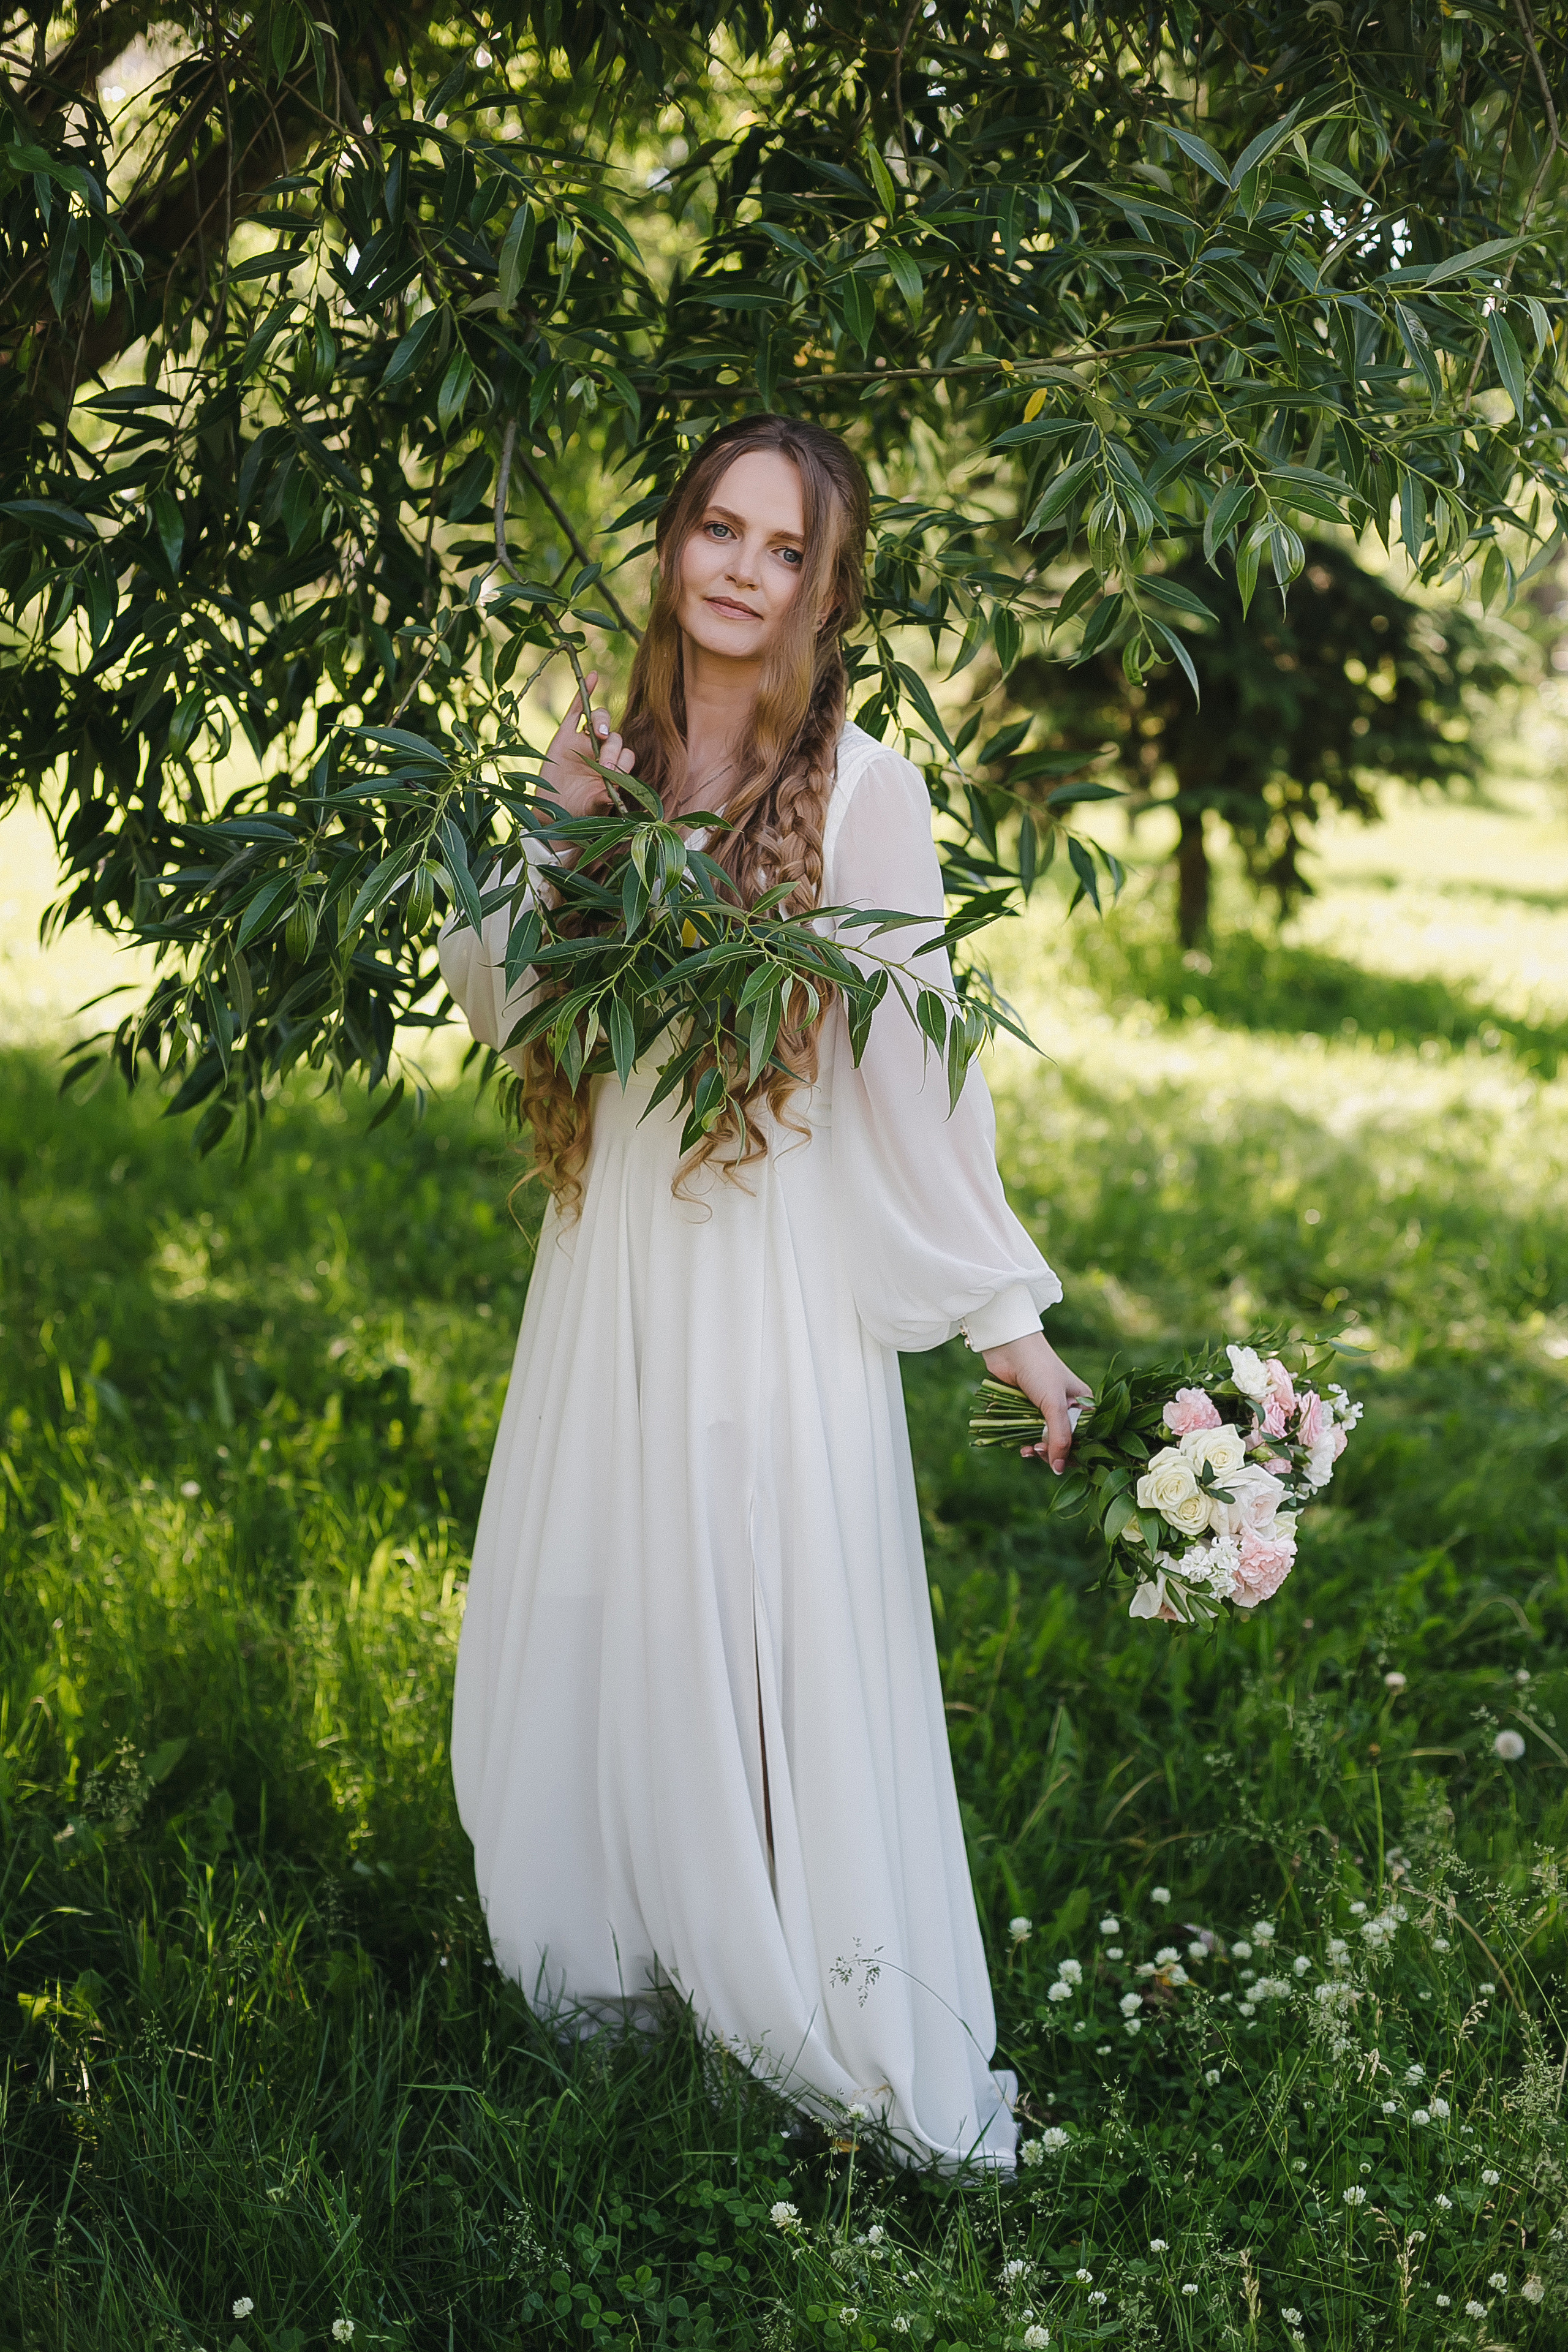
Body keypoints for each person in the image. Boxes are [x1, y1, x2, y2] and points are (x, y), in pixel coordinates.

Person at [439, 414, 1090, 2171]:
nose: (740, 569)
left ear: (827, 583)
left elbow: (922, 1072)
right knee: (614, 1595)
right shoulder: (599, 752)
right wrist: (560, 831)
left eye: (784, 548)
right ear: (670, 544)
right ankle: (631, 1970)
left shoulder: (864, 788)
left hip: (767, 1267)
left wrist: (1007, 1322)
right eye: (717, 530)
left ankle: (803, 1984)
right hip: (618, 1250)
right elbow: (507, 1009)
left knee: (748, 1606)